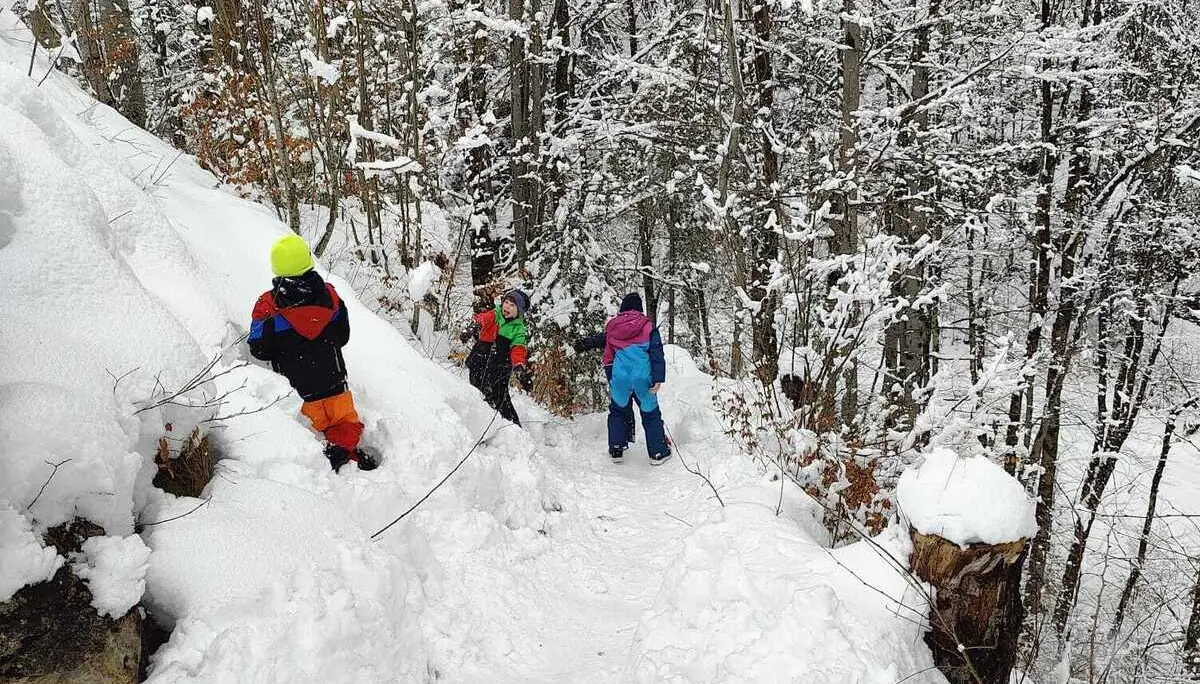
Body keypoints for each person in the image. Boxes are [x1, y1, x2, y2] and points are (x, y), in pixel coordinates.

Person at [249, 234, 377, 472]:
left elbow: (259, 350)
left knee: (311, 436)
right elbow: (343, 336)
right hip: (335, 382)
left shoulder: (267, 306)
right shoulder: (331, 295)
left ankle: (331, 458)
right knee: (345, 423)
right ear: (308, 260)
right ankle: (345, 449)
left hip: (299, 391)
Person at [603, 293, 671, 465]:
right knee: (651, 414)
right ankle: (657, 453)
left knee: (617, 412)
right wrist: (658, 378)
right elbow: (656, 353)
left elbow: (608, 357)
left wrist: (612, 378)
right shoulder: (648, 326)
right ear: (640, 309)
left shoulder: (612, 328)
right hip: (643, 378)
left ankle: (616, 449)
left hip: (620, 378)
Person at [461, 290, 533, 426]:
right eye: (506, 302)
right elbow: (482, 319)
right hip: (481, 358)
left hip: (499, 365)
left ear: (519, 311)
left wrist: (518, 366)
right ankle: (479, 421)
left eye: (512, 305)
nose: (507, 306)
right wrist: (473, 327)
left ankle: (512, 426)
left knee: (499, 396)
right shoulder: (495, 314)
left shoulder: (518, 329)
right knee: (477, 390)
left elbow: (518, 348)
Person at [573, 333, 637, 447]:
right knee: (649, 411)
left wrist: (584, 343)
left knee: (619, 407)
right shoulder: (643, 326)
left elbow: (602, 338)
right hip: (638, 369)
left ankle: (617, 446)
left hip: (615, 368)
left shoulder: (616, 326)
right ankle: (657, 445)